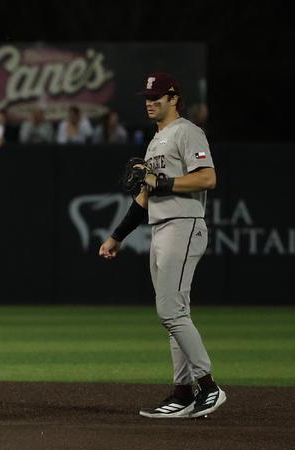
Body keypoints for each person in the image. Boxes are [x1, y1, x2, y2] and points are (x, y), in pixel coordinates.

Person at [98, 72, 226, 419]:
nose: (149, 101)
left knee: (170, 310)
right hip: (161, 227)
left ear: (174, 98)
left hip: (184, 225)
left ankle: (208, 387)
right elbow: (144, 196)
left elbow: (207, 177)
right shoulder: (155, 143)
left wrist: (161, 180)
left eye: (157, 96)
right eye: (147, 97)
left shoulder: (187, 131)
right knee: (174, 314)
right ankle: (183, 392)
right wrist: (117, 236)